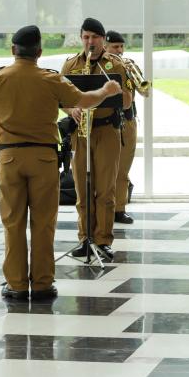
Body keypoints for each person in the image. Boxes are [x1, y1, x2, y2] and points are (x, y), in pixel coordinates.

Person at [0, 25, 121, 300]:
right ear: (39, 52)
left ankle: (15, 284)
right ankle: (41, 283)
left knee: (13, 223)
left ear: (13, 50)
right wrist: (106, 91)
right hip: (43, 159)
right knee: (43, 223)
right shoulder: (50, 79)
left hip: (9, 158)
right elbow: (85, 101)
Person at [61, 18, 132, 262]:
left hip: (106, 131)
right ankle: (84, 238)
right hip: (80, 132)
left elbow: (127, 102)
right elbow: (61, 99)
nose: (90, 42)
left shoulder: (114, 65)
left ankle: (103, 240)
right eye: (86, 37)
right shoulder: (70, 64)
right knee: (83, 188)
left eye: (95, 37)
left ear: (103, 39)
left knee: (105, 190)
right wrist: (72, 110)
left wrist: (113, 92)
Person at [105, 30, 147, 225]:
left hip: (128, 122)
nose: (120, 51)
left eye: (121, 46)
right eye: (115, 47)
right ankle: (106, 208)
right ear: (105, 47)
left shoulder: (129, 65)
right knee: (107, 169)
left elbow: (145, 91)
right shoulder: (101, 67)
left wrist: (131, 72)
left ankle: (119, 209)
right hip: (107, 122)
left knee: (123, 168)